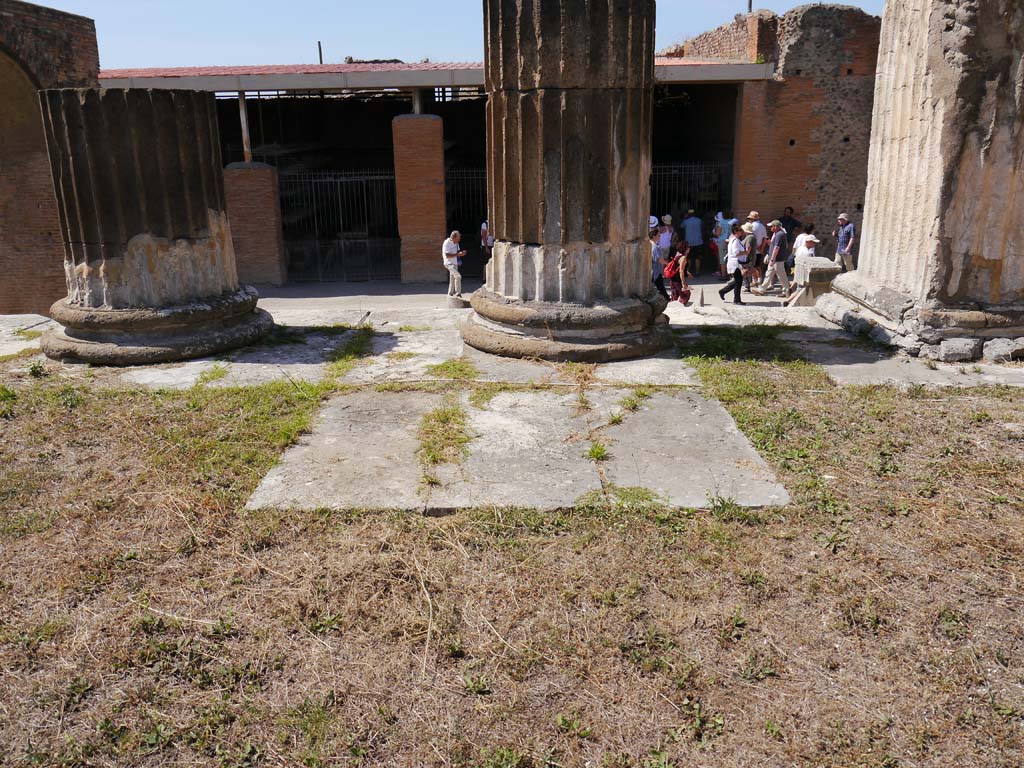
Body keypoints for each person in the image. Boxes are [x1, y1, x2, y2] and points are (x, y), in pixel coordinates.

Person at [752, 220, 791, 299]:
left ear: (776, 226)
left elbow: (777, 248)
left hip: (777, 259)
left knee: (781, 275)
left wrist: (772, 259)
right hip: (775, 258)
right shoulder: (777, 234)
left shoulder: (779, 234)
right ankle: (762, 289)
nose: (770, 228)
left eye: (771, 226)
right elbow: (773, 246)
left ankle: (787, 290)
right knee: (768, 273)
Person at [718, 223, 749, 305]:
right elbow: (736, 253)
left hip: (734, 263)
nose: (741, 232)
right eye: (740, 230)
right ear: (735, 231)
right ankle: (736, 300)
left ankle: (723, 291)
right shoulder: (735, 241)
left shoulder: (733, 240)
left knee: (737, 280)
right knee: (738, 281)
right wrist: (746, 252)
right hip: (735, 263)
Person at [747, 211, 768, 289]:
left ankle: (755, 281)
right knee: (758, 266)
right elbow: (765, 239)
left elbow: (752, 239)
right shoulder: (762, 226)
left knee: (752, 266)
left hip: (752, 249)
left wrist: (755, 247)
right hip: (759, 249)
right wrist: (762, 248)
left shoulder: (751, 226)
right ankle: (758, 280)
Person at [442, 230, 466, 297]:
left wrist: (461, 253)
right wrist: (457, 254)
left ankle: (450, 293)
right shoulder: (447, 243)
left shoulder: (456, 243)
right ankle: (458, 293)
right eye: (458, 238)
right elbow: (447, 255)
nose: (459, 239)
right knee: (458, 276)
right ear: (454, 237)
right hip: (449, 263)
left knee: (452, 279)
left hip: (455, 262)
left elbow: (457, 252)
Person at [714, 210, 737, 278]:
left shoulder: (721, 223)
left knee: (722, 258)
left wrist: (715, 233)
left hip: (722, 241)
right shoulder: (732, 222)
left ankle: (724, 275)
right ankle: (731, 274)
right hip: (731, 241)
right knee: (731, 257)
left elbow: (718, 233)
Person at [681, 209, 703, 275]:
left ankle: (688, 272)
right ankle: (697, 272)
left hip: (689, 242)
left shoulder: (685, 221)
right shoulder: (699, 220)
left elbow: (681, 226)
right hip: (698, 241)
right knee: (697, 257)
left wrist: (684, 218)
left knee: (689, 258)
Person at [650, 228, 669, 301]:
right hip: (656, 270)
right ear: (654, 236)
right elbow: (660, 260)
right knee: (660, 287)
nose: (659, 237)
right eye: (658, 235)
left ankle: (666, 297)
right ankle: (666, 298)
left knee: (660, 286)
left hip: (653, 270)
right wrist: (668, 264)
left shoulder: (650, 244)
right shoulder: (655, 247)